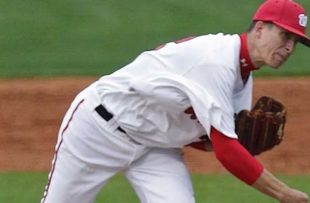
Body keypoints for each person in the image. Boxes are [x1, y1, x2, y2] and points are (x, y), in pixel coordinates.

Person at [41, 0, 309, 202]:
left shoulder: (242, 80)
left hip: (155, 148)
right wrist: (284, 193)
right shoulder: (217, 62)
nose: (289, 48)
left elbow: (209, 143)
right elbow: (228, 151)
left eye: (295, 42)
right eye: (285, 35)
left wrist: (234, 144)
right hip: (98, 130)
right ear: (260, 29)